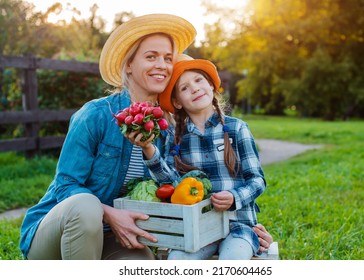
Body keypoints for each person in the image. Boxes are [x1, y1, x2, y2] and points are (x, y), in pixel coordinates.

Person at [19, 13, 197, 260]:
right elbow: (66, 184)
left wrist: (243, 223)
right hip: (57, 234)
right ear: (129, 65)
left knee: (143, 265)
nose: (162, 65)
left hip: (113, 236)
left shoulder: (166, 128)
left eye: (168, 58)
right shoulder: (95, 115)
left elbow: (181, 187)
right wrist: (109, 214)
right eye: (151, 56)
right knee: (85, 205)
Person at [132, 55, 269, 259]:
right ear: (177, 102)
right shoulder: (176, 138)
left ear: (211, 86)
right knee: (177, 260)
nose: (194, 88)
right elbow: (170, 185)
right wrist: (149, 150)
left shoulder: (237, 128)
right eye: (184, 88)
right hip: (197, 228)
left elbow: (257, 180)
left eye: (198, 80)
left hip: (239, 226)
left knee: (233, 259)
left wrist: (234, 197)